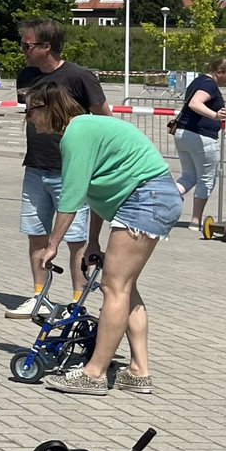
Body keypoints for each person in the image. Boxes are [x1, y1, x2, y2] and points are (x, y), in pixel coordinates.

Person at [28, 82, 182, 396]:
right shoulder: (86, 128)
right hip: (152, 197)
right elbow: (94, 193)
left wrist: (53, 244)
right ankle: (138, 371)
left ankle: (94, 373)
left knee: (115, 289)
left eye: (31, 111)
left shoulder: (76, 134)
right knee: (125, 288)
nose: (29, 118)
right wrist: (93, 241)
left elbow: (70, 197)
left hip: (146, 199)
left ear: (47, 108)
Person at [8, 19, 110, 318]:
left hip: (71, 171)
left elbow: (105, 118)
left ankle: (78, 303)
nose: (23, 51)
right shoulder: (25, 75)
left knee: (76, 238)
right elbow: (28, 116)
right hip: (36, 167)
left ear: (46, 46)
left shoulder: (80, 77)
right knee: (36, 234)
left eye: (27, 45)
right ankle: (40, 296)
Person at [173, 58, 226, 230]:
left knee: (188, 177)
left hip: (183, 133)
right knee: (206, 180)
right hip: (200, 137)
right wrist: (215, 116)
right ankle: (195, 221)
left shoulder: (198, 80)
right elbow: (195, 103)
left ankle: (162, 204)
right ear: (220, 72)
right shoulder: (209, 85)